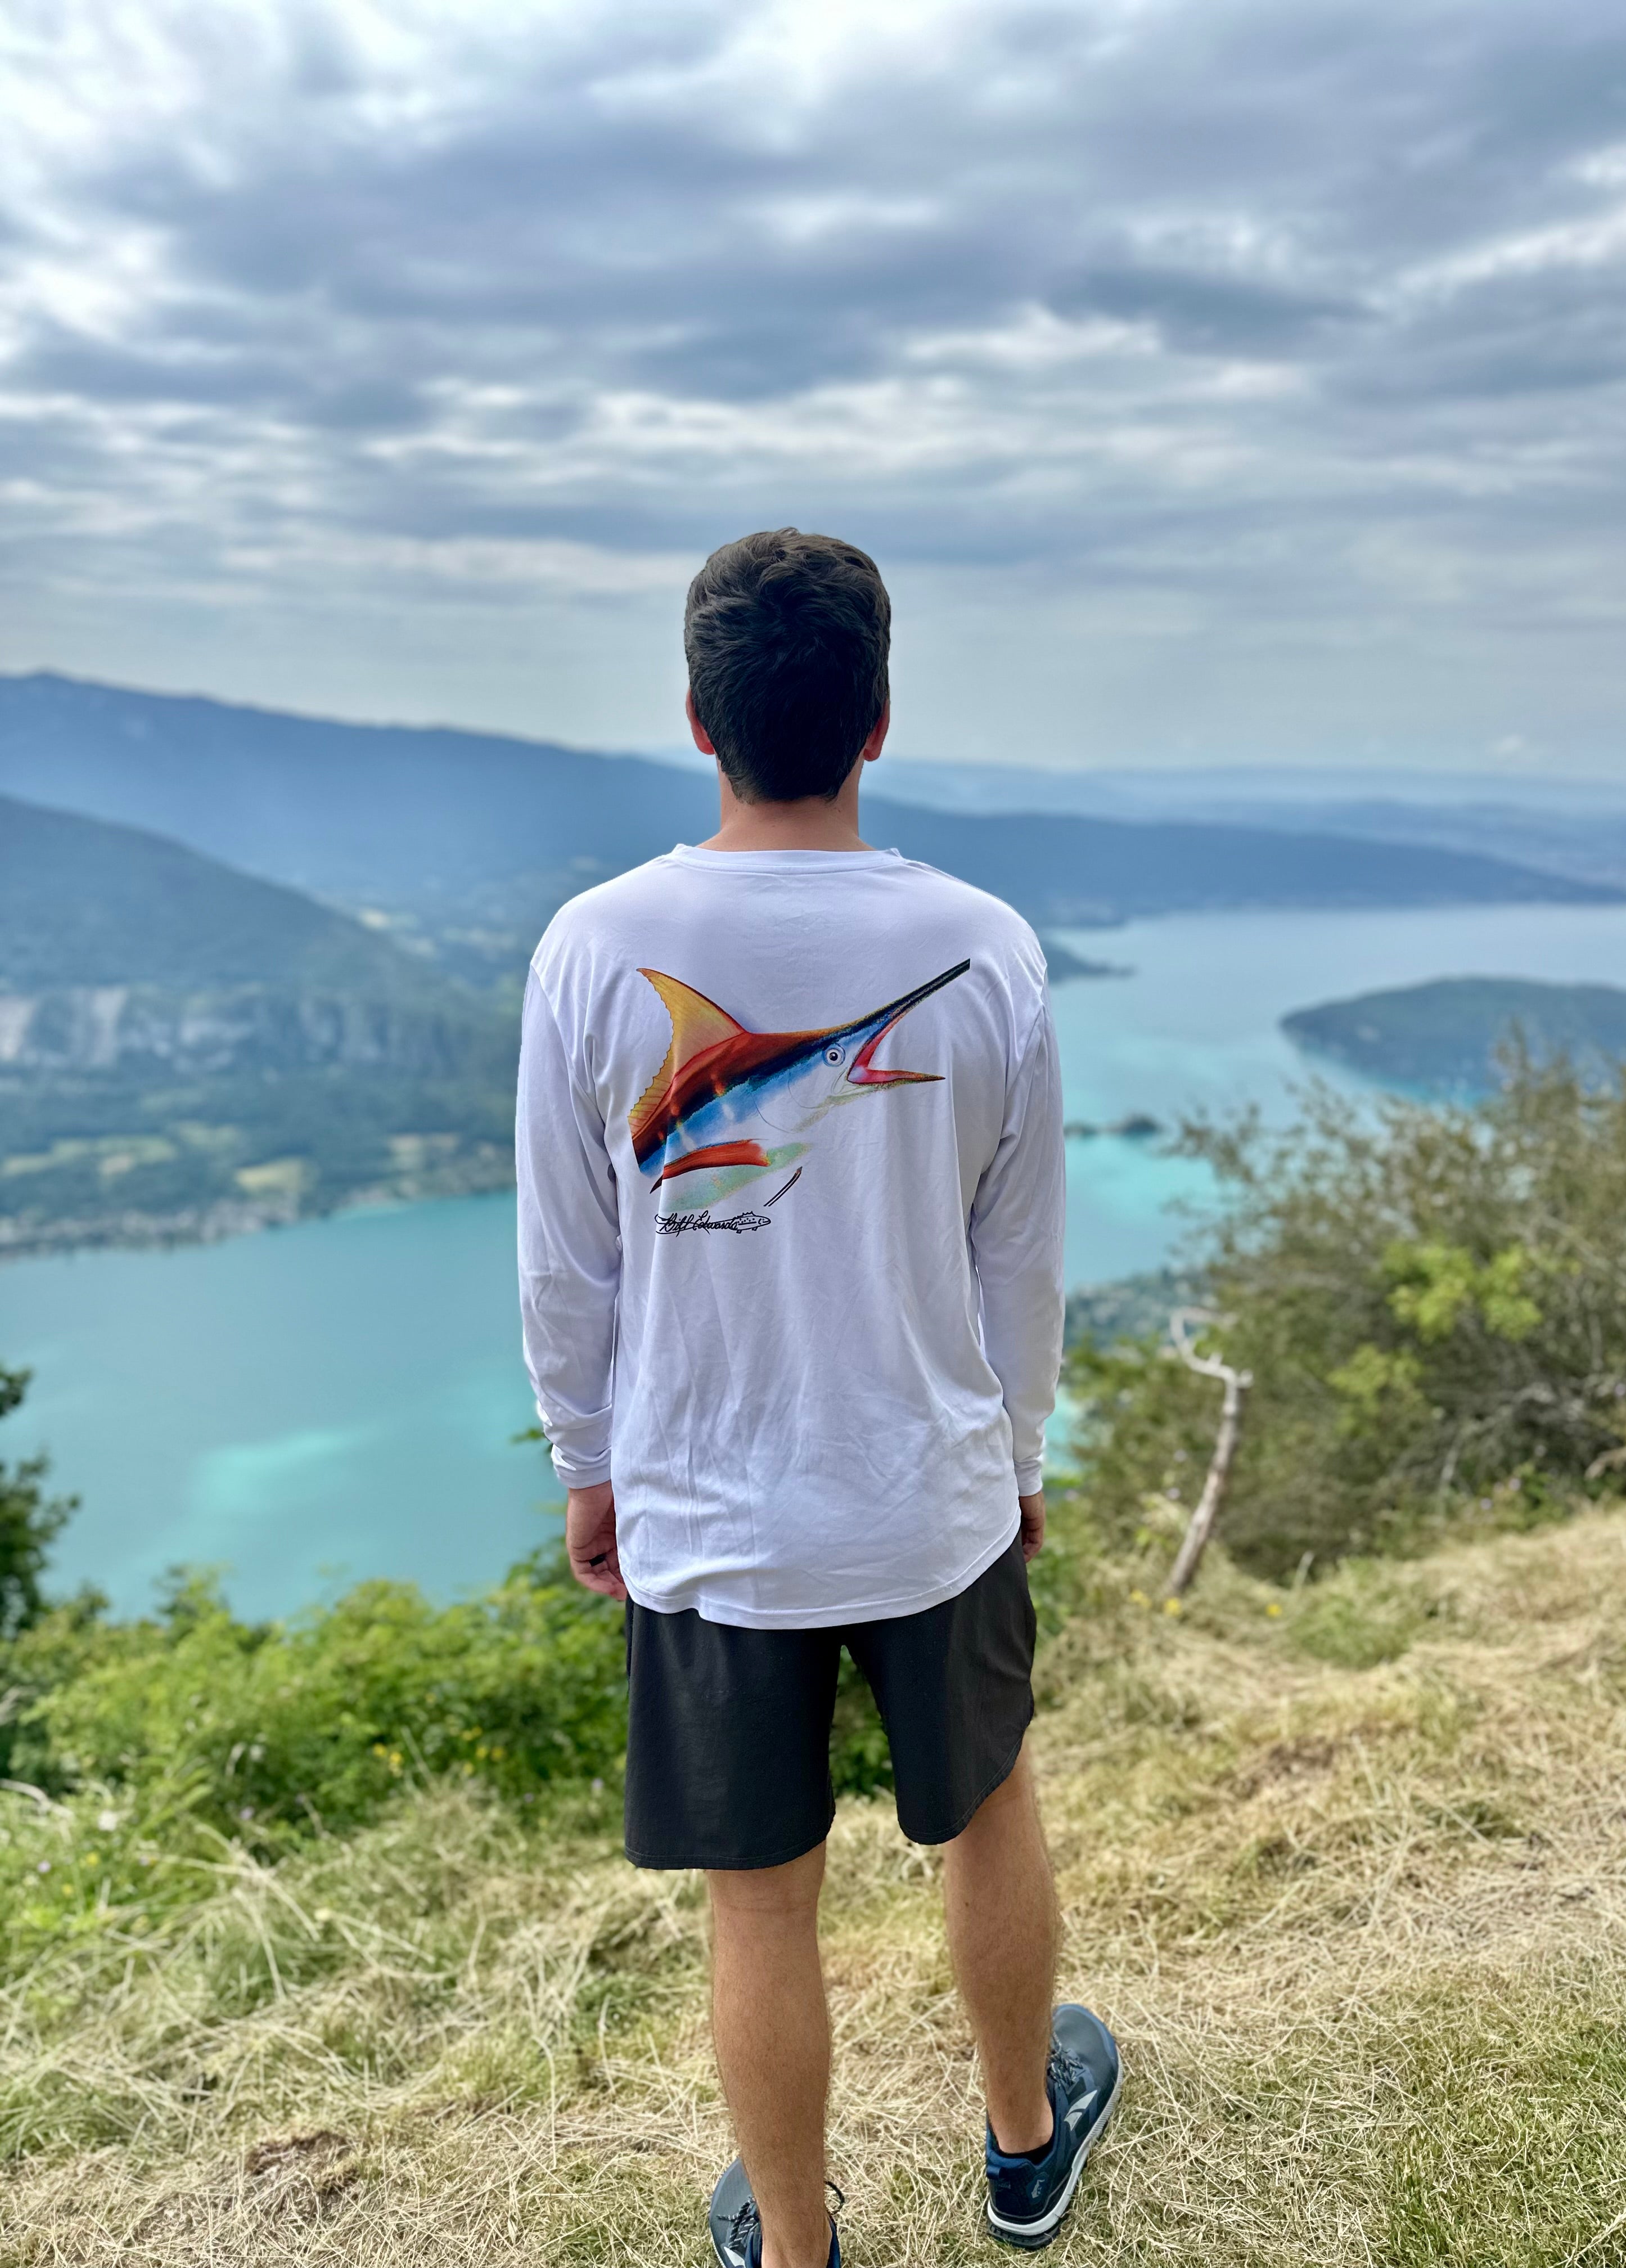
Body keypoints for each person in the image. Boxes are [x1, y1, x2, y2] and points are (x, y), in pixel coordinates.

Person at [517, 528, 1120, 2266]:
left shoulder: (590, 946)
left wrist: (588, 1466)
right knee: (986, 1805)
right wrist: (1014, 1458)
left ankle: (795, 2246)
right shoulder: (987, 945)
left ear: (696, 719)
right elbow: (1025, 1257)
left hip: (704, 1506)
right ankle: (1022, 2150)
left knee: (759, 1898)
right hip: (928, 1488)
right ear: (878, 718)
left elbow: (571, 1263)